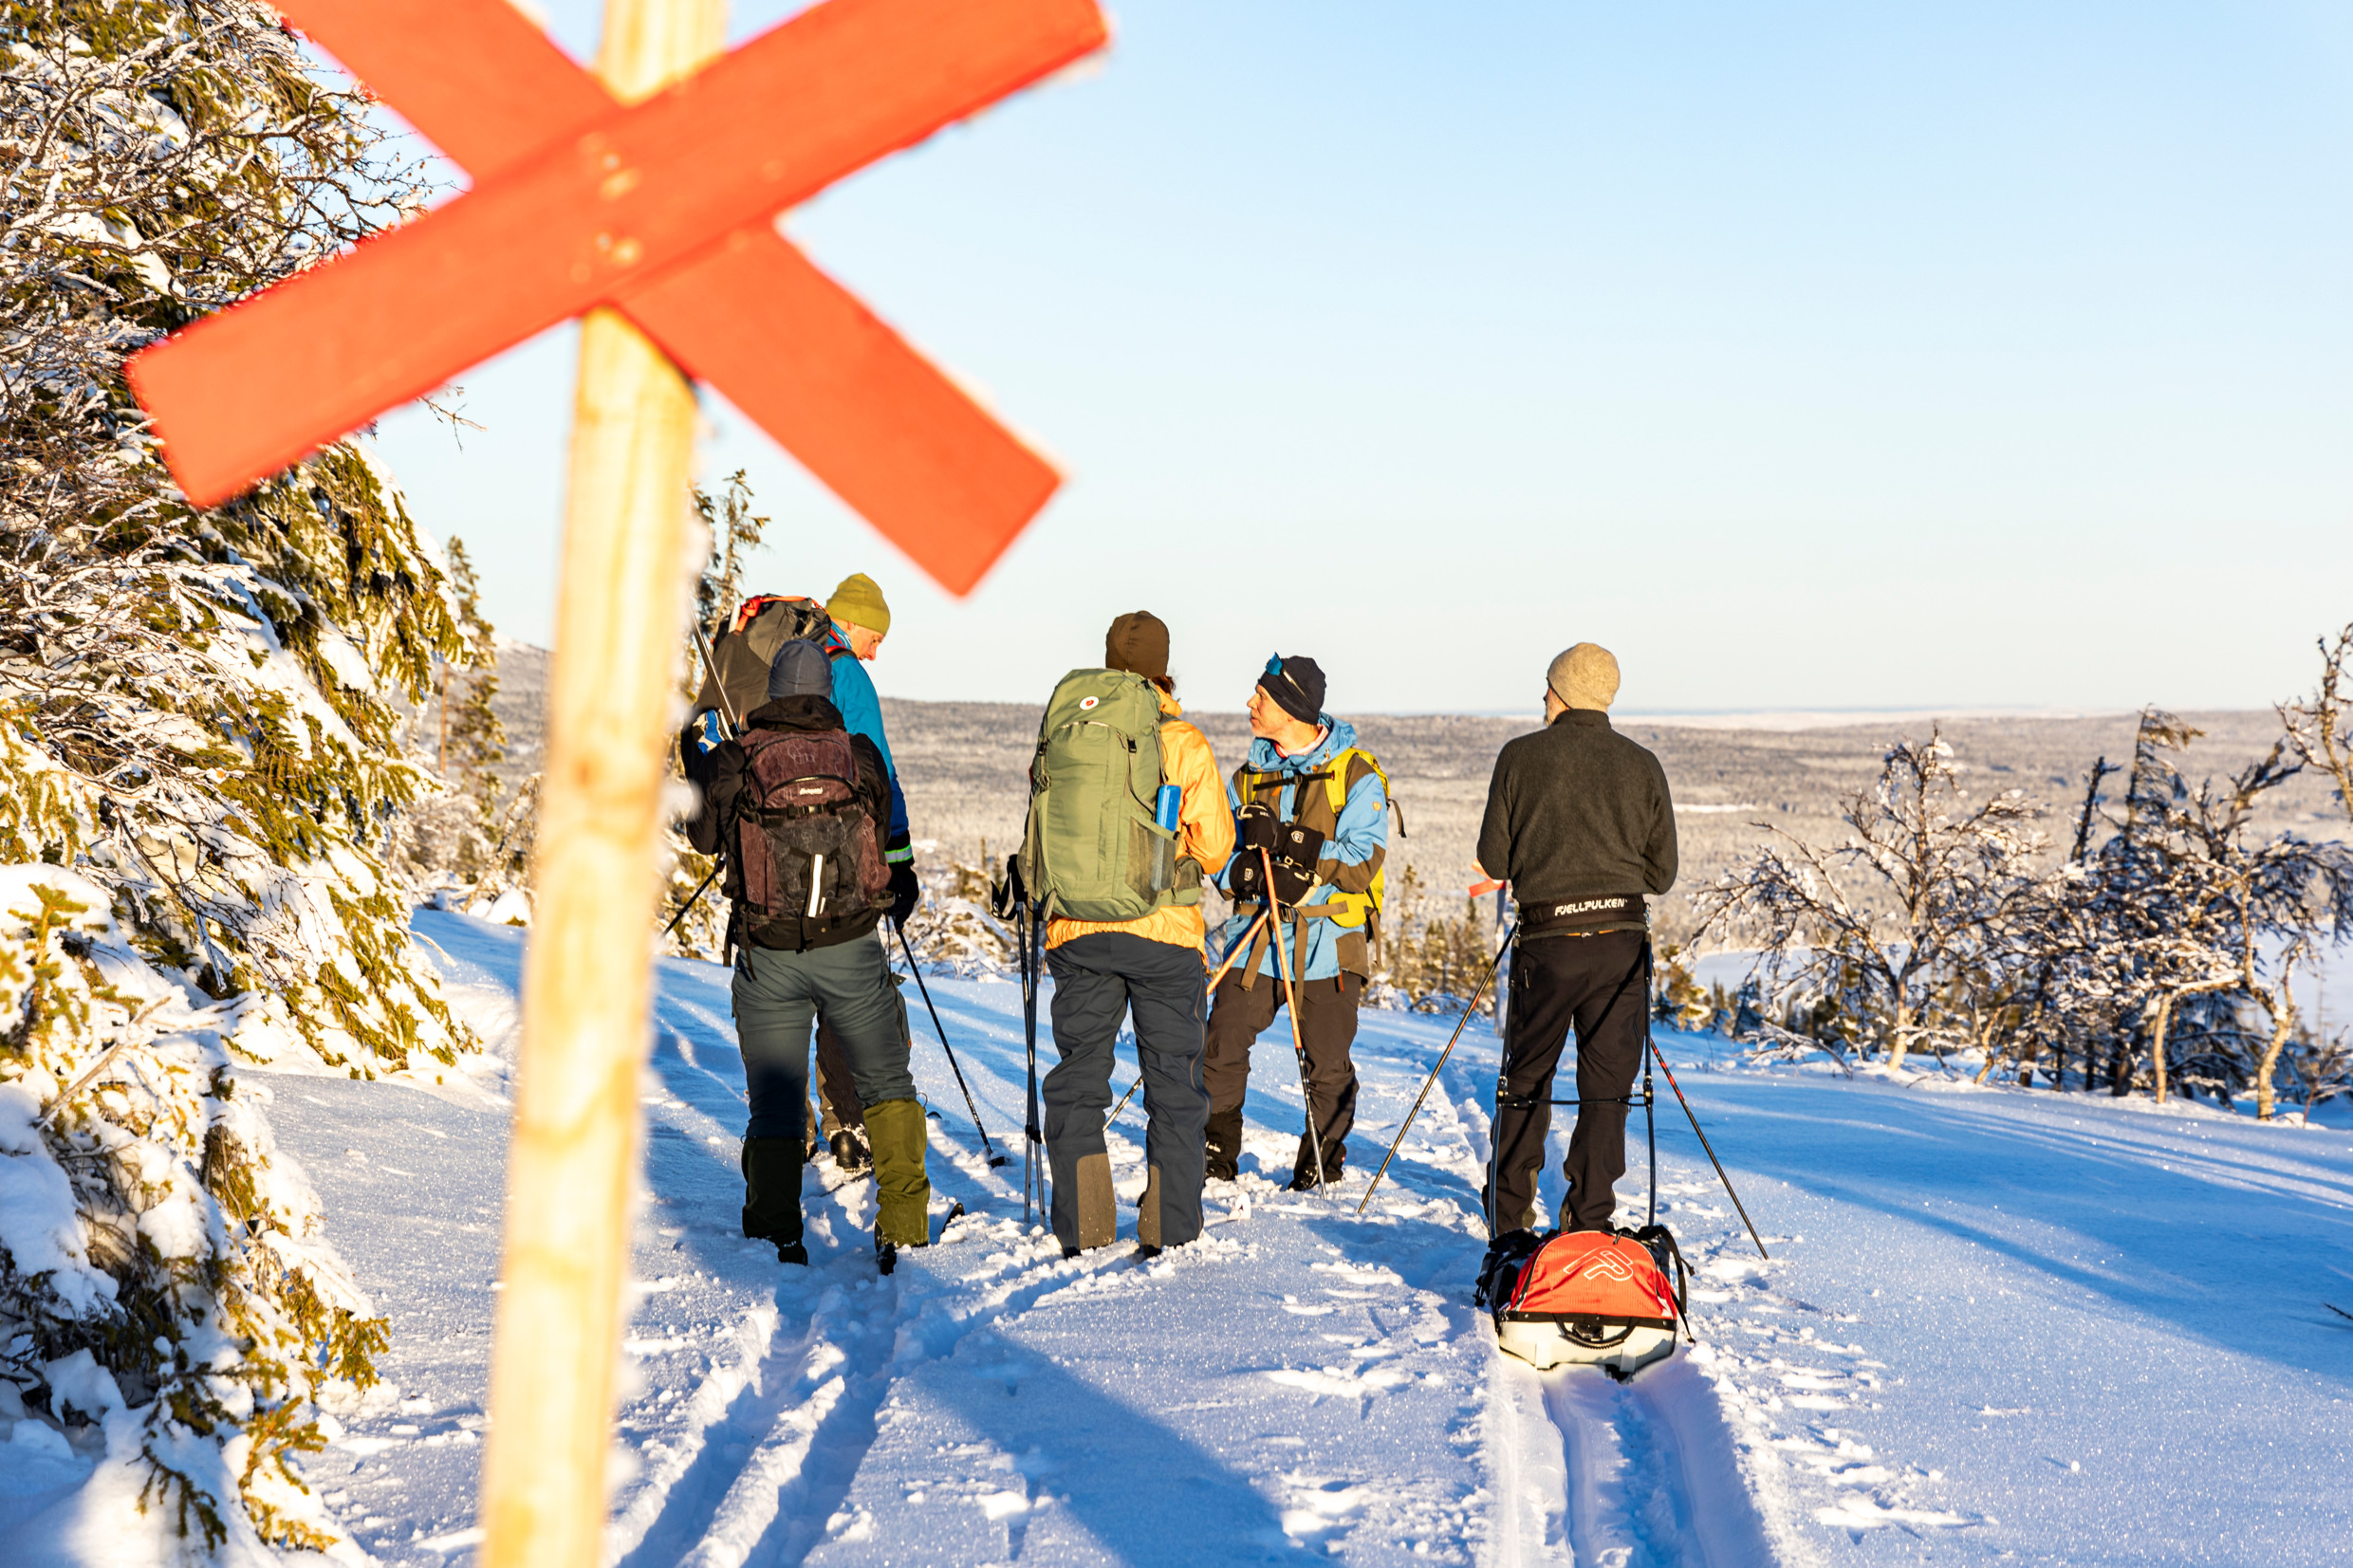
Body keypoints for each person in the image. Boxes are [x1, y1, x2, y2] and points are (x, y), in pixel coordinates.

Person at [683, 639, 934, 1268]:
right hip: (850, 944)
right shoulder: (861, 756)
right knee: (886, 1084)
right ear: (827, 692)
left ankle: (774, 1228)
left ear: (772, 691)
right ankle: (903, 1220)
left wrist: (697, 760)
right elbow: (879, 826)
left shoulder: (738, 757)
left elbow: (702, 837)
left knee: (774, 1094)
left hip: (769, 950)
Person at [1035, 612, 1235, 1256]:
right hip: (1163, 932)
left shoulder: (1070, 728)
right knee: (1174, 1085)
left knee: (1078, 1081)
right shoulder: (1181, 738)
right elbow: (1213, 845)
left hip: (1078, 930)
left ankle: (1083, 1228)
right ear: (1163, 665)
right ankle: (1169, 1228)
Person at [1474, 642, 1677, 1243]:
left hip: (1546, 941)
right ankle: (1589, 1218)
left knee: (1527, 1078)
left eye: (1546, 686)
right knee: (1608, 1089)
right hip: (1620, 945)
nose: (1541, 697)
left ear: (1562, 691)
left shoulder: (1520, 757)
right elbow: (1660, 875)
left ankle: (1509, 1216)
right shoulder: (1643, 766)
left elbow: (1493, 857)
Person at [1201, 655, 1391, 1190]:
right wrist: (1244, 875)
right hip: (1258, 937)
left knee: (1327, 1061)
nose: (1250, 704)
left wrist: (1289, 844)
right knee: (1223, 1038)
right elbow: (1220, 859)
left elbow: (1360, 863)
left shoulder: (1355, 773)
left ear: (1290, 707)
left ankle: (1321, 1161)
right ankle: (1215, 1153)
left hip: (1331, 940)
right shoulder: (1248, 777)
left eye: (1260, 696)